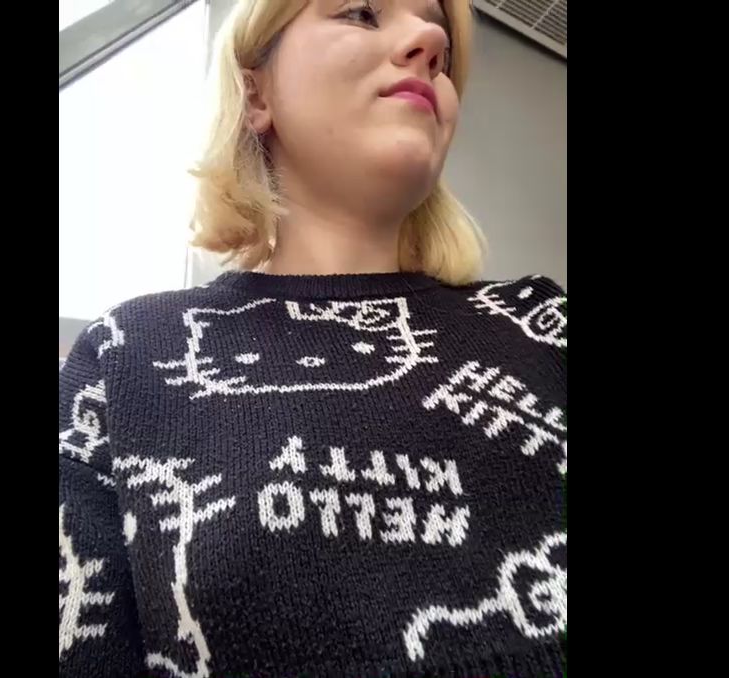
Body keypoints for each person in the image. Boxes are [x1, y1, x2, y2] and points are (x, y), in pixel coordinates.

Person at [58, 1, 567, 676]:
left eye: (442, 46)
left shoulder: (544, 323)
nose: (428, 38)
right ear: (256, 94)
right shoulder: (127, 355)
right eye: (361, 11)